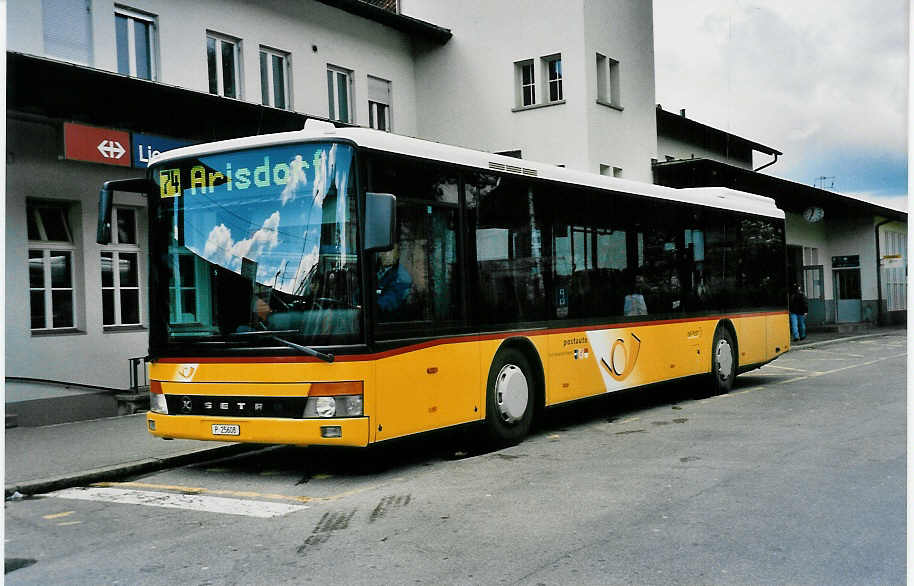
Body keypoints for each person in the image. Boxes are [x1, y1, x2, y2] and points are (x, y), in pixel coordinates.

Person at [376, 244, 413, 315]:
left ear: (397, 254)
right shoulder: (376, 271)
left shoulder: (402, 278)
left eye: (388, 251)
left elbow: (389, 303)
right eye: (381, 251)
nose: (383, 254)